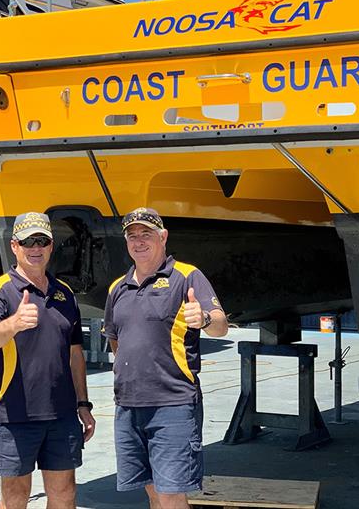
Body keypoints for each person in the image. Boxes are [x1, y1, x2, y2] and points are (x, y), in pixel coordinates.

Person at [103, 207, 229, 509]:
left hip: (172, 404)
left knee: (172, 495)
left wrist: (205, 321)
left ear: (163, 236)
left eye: (146, 234)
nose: (139, 241)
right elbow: (115, 339)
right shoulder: (116, 288)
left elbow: (221, 324)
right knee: (152, 492)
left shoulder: (187, 276)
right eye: (132, 236)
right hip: (129, 406)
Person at [0, 212, 95, 509]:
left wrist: (83, 404)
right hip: (13, 414)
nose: (35, 248)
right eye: (28, 241)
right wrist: (13, 323)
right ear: (14, 246)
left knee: (65, 493)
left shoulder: (64, 294)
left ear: (51, 246)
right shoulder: (0, 291)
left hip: (61, 414)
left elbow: (75, 354)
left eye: (42, 241)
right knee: (15, 497)